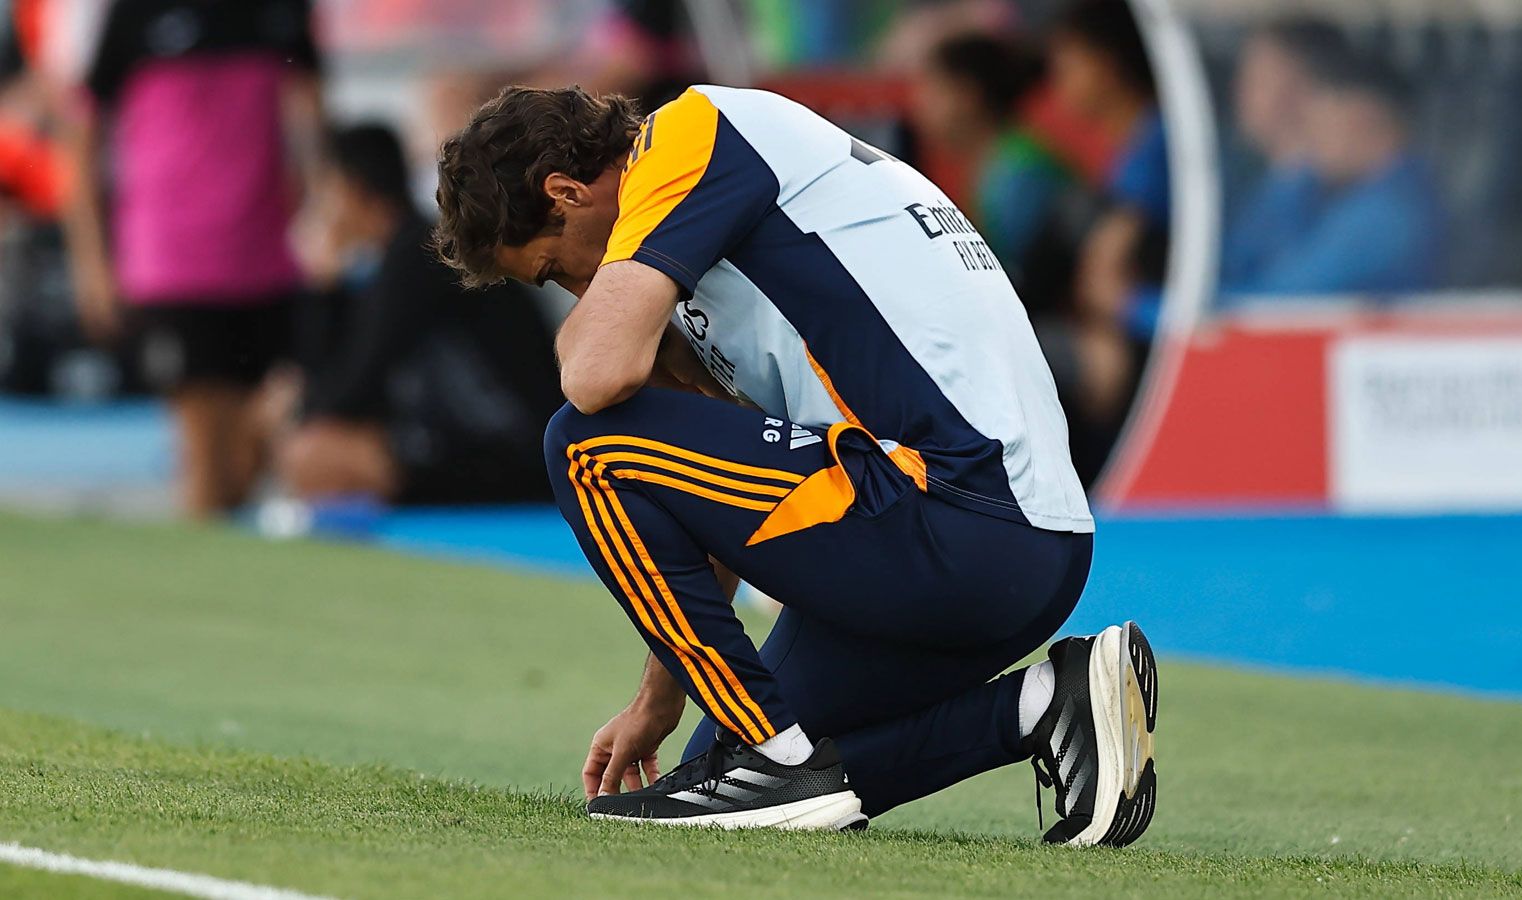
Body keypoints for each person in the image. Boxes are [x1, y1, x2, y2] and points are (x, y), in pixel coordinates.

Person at [433, 84, 1159, 840]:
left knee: (584, 443)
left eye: (554, 269)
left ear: (566, 192)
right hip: (1010, 546)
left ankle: (776, 757)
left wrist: (605, 322)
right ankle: (1045, 705)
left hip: (953, 514)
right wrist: (660, 695)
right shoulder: (717, 233)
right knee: (717, 773)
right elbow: (716, 497)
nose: (578, 291)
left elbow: (593, 377)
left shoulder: (689, 132)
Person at [64, 0, 322, 517]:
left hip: (267, 257)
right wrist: (91, 262)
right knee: (205, 457)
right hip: (174, 260)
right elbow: (85, 138)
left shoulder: (283, 11)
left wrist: (320, 220)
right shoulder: (137, 13)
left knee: (250, 457)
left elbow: (311, 116)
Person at [277, 124, 565, 506]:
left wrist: (321, 287)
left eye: (323, 193)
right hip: (477, 442)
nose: (317, 211)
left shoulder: (419, 260)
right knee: (304, 432)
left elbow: (349, 392)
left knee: (314, 455)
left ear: (351, 190)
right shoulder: (406, 252)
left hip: (516, 454)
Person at [1047, 0, 1165, 484]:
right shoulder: (1128, 148)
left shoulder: (1157, 143)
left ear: (1106, 63)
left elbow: (1104, 280)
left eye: (1067, 61)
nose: (1056, 78)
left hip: (1146, 351)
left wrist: (1117, 316)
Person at [1226, 46, 1443, 297]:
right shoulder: (1364, 197)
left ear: (1364, 119)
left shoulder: (1387, 214)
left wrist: (1289, 181)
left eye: (1322, 123)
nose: (1311, 140)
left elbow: (1278, 297)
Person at [912, 32, 1083, 312]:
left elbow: (1035, 284)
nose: (919, 105)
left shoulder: (1020, 174)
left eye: (933, 90)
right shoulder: (994, 165)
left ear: (967, 95)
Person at [1220, 20, 1342, 289]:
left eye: (1256, 79)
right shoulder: (1266, 184)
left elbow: (1271, 297)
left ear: (1301, 88)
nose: (1238, 92)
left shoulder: (1317, 196)